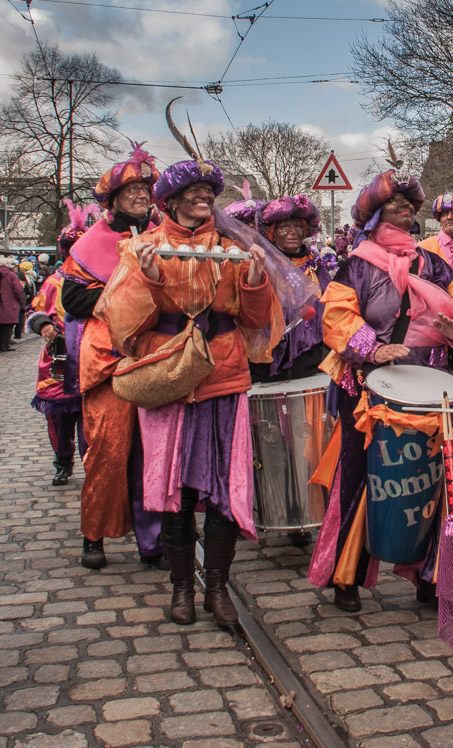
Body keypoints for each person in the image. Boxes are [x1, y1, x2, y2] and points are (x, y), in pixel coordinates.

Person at [96, 139, 287, 626]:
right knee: (173, 491)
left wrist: (254, 281)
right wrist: (153, 278)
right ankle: (183, 588)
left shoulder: (232, 250)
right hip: (167, 379)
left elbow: (256, 319)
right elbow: (122, 323)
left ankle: (218, 590)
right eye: (193, 190)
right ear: (171, 200)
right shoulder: (140, 248)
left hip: (223, 377)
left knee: (225, 490)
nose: (203, 197)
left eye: (208, 189)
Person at [306, 163, 453, 613]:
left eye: (410, 208)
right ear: (375, 217)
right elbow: (335, 315)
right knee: (359, 480)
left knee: (440, 481)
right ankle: (345, 577)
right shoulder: (356, 264)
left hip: (435, 384)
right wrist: (371, 348)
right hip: (373, 389)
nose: (406, 213)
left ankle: (432, 577)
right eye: (395, 207)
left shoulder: (433, 263)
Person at [59, 143, 165, 570]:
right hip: (110, 363)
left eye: (146, 188)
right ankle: (94, 535)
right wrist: (126, 292)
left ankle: (152, 540)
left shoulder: (161, 234)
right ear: (113, 197)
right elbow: (73, 299)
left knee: (153, 452)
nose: (142, 195)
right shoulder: (93, 240)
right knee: (108, 450)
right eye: (133, 189)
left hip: (156, 358)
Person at [27, 204, 95, 485]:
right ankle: (63, 463)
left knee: (92, 421)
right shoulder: (53, 281)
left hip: (93, 357)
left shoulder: (97, 280)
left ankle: (94, 466)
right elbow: (35, 310)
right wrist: (43, 325)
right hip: (59, 360)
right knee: (59, 419)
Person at [251, 194, 333, 382]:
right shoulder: (261, 265)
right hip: (266, 363)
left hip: (310, 362)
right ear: (272, 232)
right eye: (285, 227)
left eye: (298, 226)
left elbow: (331, 312)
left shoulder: (317, 268)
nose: (293, 232)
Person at [0, 255, 24, 352]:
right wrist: (20, 301)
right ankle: (4, 345)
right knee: (8, 326)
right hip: (9, 303)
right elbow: (18, 290)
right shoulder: (11, 275)